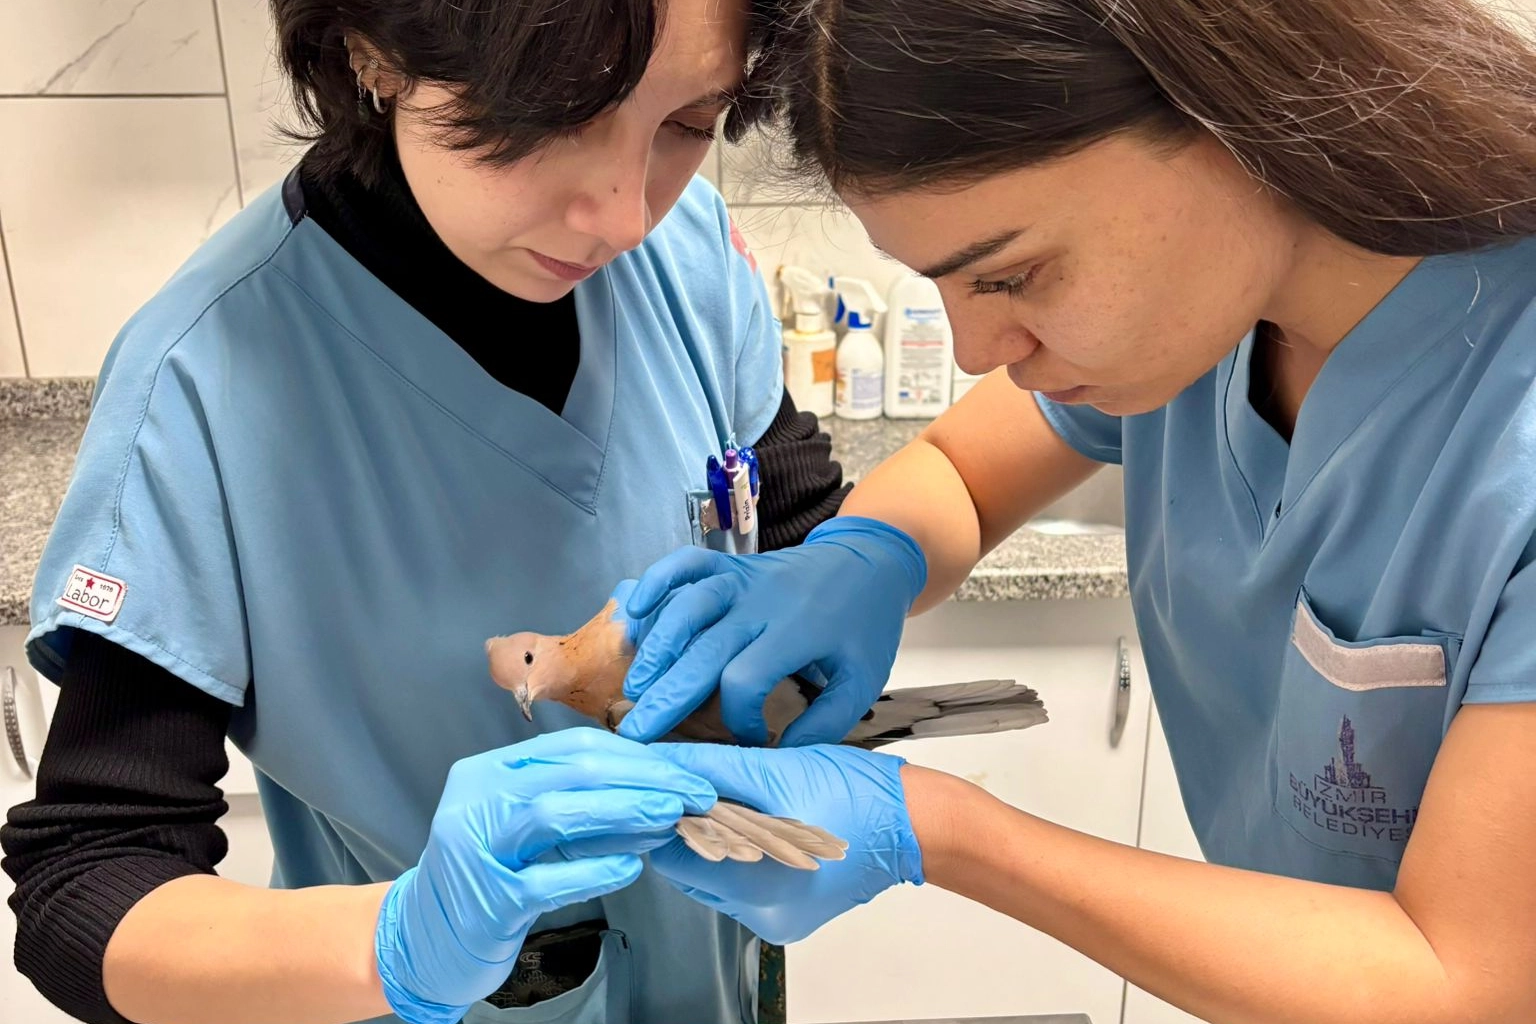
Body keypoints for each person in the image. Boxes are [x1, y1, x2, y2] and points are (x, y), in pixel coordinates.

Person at [615, 0, 1536, 1020]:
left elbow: (1466, 982)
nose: (978, 352)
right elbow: (962, 471)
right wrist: (864, 554)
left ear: (1229, 114)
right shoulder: (1214, 311)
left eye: (1011, 276)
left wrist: (944, 832)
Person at [0, 0, 851, 1022]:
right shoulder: (200, 380)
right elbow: (86, 883)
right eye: (563, 115)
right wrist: (395, 939)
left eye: (687, 124)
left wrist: (817, 701)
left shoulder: (688, 254)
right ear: (374, 51)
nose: (627, 216)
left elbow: (803, 535)